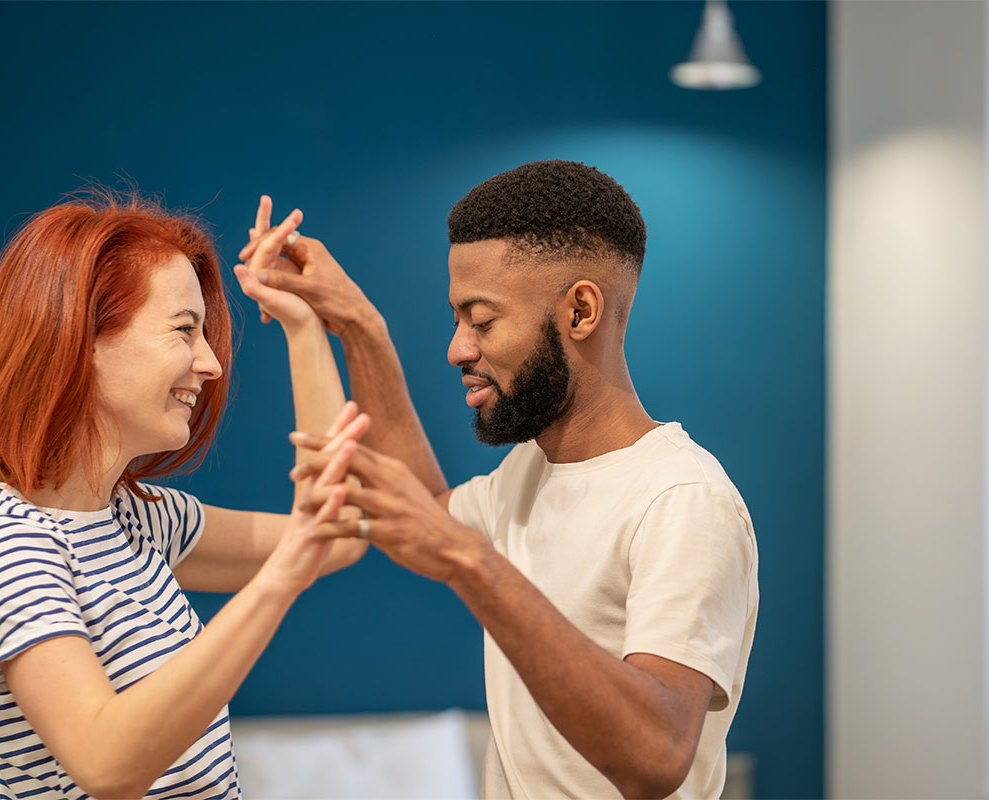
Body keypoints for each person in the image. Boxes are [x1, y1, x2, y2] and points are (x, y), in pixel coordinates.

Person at [246, 160, 759, 798]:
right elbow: (429, 512)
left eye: (481, 320)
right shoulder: (531, 472)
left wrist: (470, 561)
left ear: (580, 311)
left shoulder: (683, 501)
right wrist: (357, 325)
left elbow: (656, 753)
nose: (457, 349)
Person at [0, 190, 367, 800]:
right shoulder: (6, 544)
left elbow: (337, 537)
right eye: (185, 331)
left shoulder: (139, 521)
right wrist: (282, 575)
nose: (211, 363)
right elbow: (108, 766)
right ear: (79, 339)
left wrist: (301, 325)